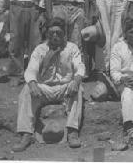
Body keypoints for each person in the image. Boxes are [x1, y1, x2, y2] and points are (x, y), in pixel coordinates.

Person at [12, 17, 85, 152]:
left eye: (58, 33)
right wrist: (33, 84)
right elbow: (31, 69)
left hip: (65, 88)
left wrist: (76, 80)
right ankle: (26, 134)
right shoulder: (40, 49)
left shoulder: (72, 48)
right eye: (52, 33)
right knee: (26, 89)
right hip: (44, 89)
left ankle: (72, 132)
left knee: (79, 88)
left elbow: (79, 66)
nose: (55, 36)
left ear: (65, 34)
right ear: (47, 34)